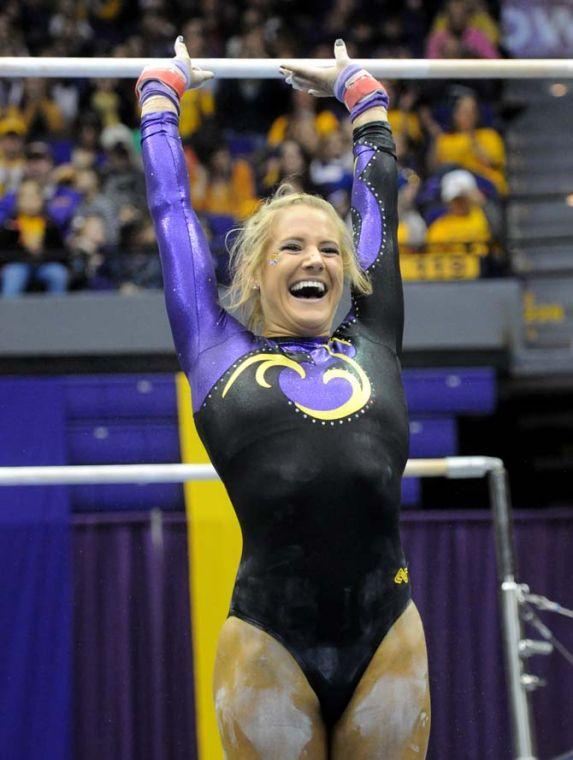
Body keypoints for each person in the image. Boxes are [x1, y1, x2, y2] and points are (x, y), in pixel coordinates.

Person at [138, 37, 430, 757]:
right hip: (269, 638)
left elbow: (378, 209)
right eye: (292, 248)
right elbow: (172, 209)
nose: (315, 261)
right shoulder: (215, 351)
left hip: (387, 632)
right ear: (257, 271)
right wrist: (158, 103)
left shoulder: (373, 338)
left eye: (329, 249)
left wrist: (362, 98)